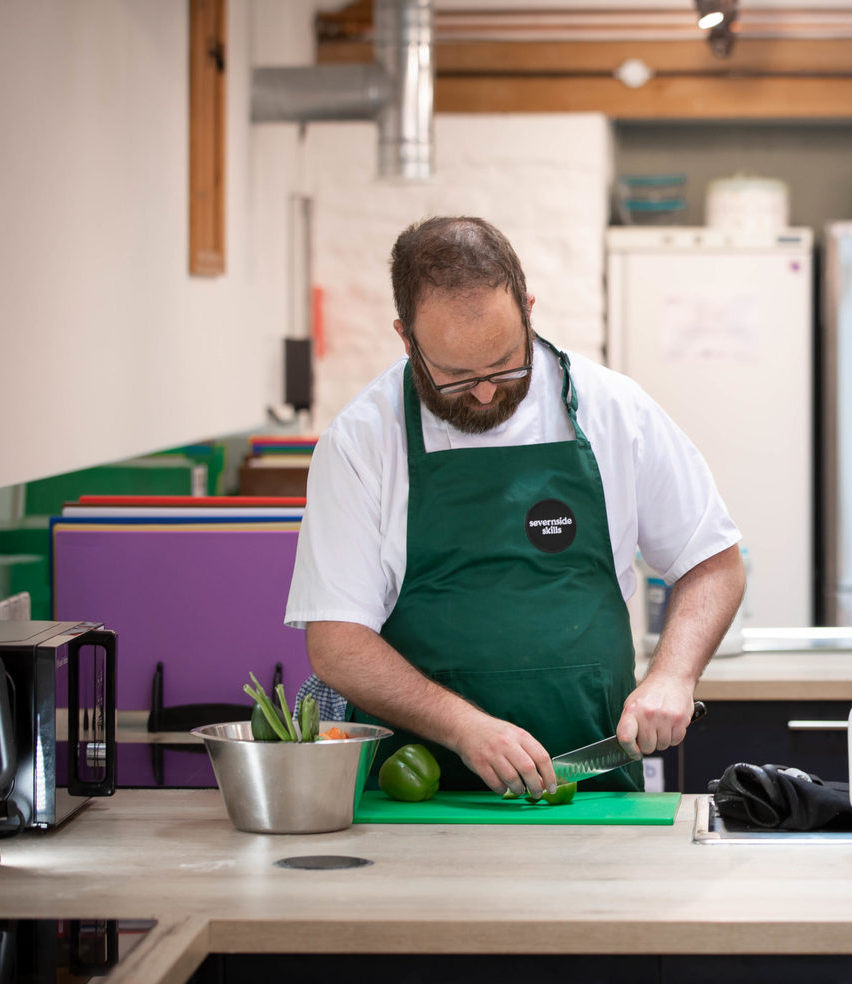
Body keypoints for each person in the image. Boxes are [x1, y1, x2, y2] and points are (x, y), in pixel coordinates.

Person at [284, 216, 745, 797]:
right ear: (406, 339)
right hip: (419, 793)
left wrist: (673, 676)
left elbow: (713, 562)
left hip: (592, 783)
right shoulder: (362, 440)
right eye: (454, 375)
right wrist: (463, 726)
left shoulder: (615, 411)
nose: (482, 392)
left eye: (505, 363)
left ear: (527, 309)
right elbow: (336, 640)